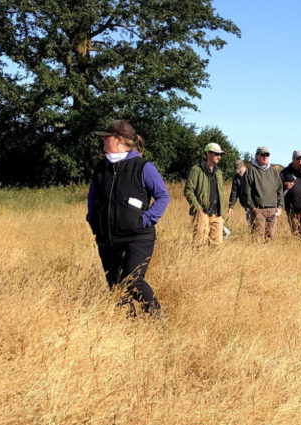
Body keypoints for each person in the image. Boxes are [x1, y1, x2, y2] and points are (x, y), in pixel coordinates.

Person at [86, 119, 169, 318]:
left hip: (137, 236)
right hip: (107, 238)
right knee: (115, 286)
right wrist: (93, 219)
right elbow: (92, 197)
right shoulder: (101, 168)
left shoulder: (142, 166)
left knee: (132, 280)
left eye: (107, 136)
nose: (103, 140)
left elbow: (163, 196)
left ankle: (157, 319)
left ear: (119, 139)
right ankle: (127, 328)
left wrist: (145, 220)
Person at [184, 142, 227, 247]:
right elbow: (188, 191)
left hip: (217, 214)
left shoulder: (219, 172)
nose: (219, 157)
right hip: (202, 212)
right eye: (216, 154)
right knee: (199, 245)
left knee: (217, 246)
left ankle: (214, 264)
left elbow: (221, 193)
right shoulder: (196, 170)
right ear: (208, 153)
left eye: (220, 154)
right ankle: (196, 263)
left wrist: (223, 215)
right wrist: (198, 209)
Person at [241, 146, 284, 240]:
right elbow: (245, 192)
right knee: (257, 239)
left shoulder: (273, 171)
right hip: (258, 210)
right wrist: (252, 208)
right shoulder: (251, 171)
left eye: (267, 155)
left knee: (271, 238)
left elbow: (279, 190)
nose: (265, 157)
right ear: (257, 155)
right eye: (262, 154)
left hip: (273, 211)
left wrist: (280, 207)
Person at [227, 159, 251, 224]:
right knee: (250, 221)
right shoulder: (236, 178)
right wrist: (231, 206)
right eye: (237, 171)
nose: (238, 172)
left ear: (244, 166)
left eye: (239, 170)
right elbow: (234, 193)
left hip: (257, 205)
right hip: (246, 205)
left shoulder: (252, 174)